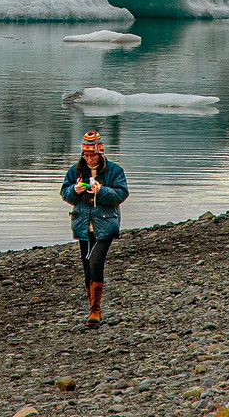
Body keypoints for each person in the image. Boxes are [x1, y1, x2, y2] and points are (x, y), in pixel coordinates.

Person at [60, 129, 128, 325]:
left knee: (95, 262)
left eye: (92, 155)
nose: (89, 159)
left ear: (100, 153)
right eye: (86, 155)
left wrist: (103, 190)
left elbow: (121, 194)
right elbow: (65, 193)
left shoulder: (115, 171)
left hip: (106, 224)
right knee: (87, 267)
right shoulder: (75, 170)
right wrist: (74, 190)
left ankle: (95, 311)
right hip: (83, 226)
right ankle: (92, 309)